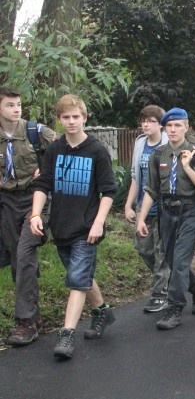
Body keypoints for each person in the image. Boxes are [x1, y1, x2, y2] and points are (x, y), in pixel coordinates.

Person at [30, 94, 118, 359]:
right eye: (66, 117)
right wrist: (35, 215)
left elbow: (109, 191)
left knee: (77, 280)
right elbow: (43, 184)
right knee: (81, 276)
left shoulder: (97, 151)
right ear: (59, 120)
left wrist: (98, 223)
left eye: (76, 117)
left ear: (84, 118)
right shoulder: (55, 150)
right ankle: (102, 311)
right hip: (61, 226)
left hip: (86, 228)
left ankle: (66, 335)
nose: (71, 122)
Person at [136, 107, 195, 330]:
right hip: (166, 211)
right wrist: (141, 219)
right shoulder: (158, 155)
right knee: (171, 260)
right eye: (169, 125)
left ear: (187, 127)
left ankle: (175, 307)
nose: (173, 129)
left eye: (178, 125)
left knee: (180, 261)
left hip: (190, 210)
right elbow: (151, 189)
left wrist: (187, 166)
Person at [1, 86, 57, 347]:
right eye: (10, 105)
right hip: (7, 201)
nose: (16, 109)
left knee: (24, 253)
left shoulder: (36, 132)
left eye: (19, 104)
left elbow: (69, 150)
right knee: (17, 258)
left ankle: (27, 322)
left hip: (35, 200)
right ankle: (32, 314)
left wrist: (46, 171)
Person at [124, 105, 171, 313]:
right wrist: (128, 205)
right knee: (143, 249)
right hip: (144, 208)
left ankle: (161, 294)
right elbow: (136, 177)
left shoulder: (168, 143)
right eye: (143, 120)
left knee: (162, 252)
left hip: (165, 208)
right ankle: (186, 281)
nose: (146, 124)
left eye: (151, 121)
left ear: (160, 124)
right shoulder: (140, 143)